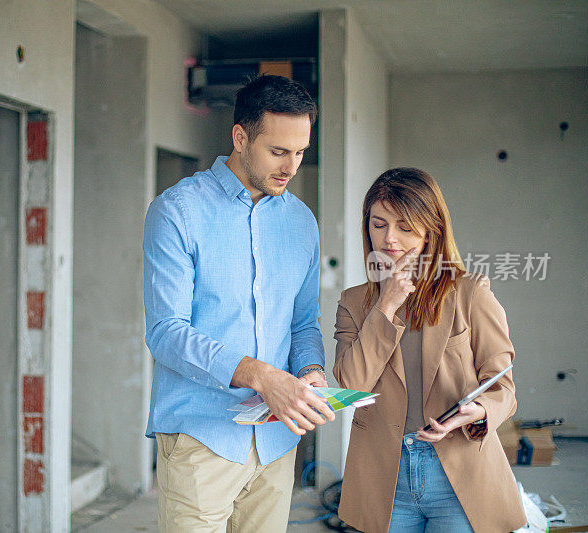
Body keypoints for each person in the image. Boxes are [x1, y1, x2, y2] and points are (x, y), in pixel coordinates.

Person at [143, 75, 335, 532]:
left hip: (276, 443)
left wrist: (310, 371)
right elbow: (166, 332)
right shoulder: (177, 212)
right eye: (278, 151)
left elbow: (304, 322)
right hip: (201, 439)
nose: (291, 167)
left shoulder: (302, 223)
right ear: (240, 137)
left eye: (301, 152)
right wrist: (261, 375)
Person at [333, 167, 526, 532]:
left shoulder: (470, 293)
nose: (389, 238)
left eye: (405, 226)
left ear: (430, 229)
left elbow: (503, 387)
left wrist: (479, 411)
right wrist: (384, 307)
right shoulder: (354, 303)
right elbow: (350, 384)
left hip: (458, 471)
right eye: (379, 224)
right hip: (384, 477)